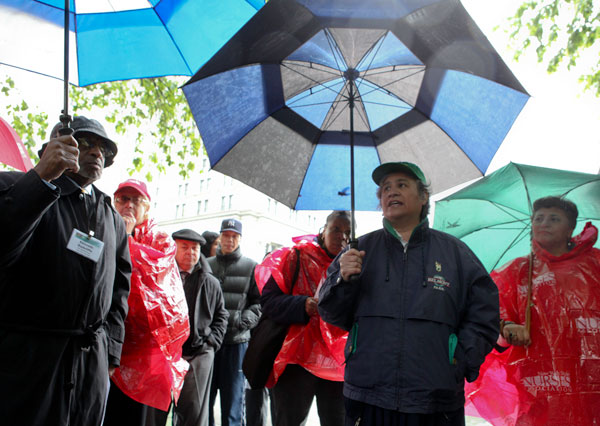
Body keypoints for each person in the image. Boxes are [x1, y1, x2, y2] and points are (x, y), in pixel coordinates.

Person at [318, 162, 500, 426]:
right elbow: (331, 314)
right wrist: (342, 280)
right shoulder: (358, 252)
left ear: (423, 196)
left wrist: (457, 360)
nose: (391, 192)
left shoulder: (455, 253)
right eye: (385, 189)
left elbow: (485, 315)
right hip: (368, 396)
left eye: (402, 185)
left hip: (436, 400)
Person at [0, 116, 131, 426]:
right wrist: (41, 179)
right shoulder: (15, 187)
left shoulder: (112, 218)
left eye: (103, 148)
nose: (97, 152)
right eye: (85, 142)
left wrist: (110, 354)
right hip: (28, 367)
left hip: (90, 369)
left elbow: (119, 292)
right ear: (54, 145)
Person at [465, 197, 600, 426]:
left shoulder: (595, 264)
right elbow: (487, 324)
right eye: (538, 218)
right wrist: (507, 329)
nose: (544, 223)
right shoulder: (517, 272)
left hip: (592, 383)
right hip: (538, 388)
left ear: (571, 228)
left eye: (554, 218)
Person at [103, 179, 190, 426]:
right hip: (104, 346)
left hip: (146, 360)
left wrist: (126, 238)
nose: (129, 205)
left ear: (147, 207)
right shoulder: (101, 226)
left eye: (136, 200)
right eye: (123, 199)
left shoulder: (160, 240)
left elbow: (152, 294)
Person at [256, 211, 351, 426]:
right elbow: (269, 302)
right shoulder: (296, 257)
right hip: (297, 360)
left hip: (337, 363)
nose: (342, 237)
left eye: (348, 232)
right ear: (323, 230)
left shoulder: (355, 267)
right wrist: (302, 305)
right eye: (336, 229)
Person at [149, 229, 229, 426]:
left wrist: (211, 341)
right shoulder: (161, 275)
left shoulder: (210, 281)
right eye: (184, 247)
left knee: (193, 410)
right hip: (163, 354)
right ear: (174, 248)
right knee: (155, 409)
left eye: (195, 248)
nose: (190, 252)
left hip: (199, 353)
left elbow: (222, 315)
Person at [208, 218, 261, 426]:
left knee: (233, 406)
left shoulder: (251, 266)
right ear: (220, 236)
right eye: (226, 235)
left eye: (234, 236)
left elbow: (259, 303)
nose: (229, 240)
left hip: (237, 343)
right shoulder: (206, 264)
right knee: (205, 403)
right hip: (210, 344)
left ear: (239, 239)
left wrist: (243, 320)